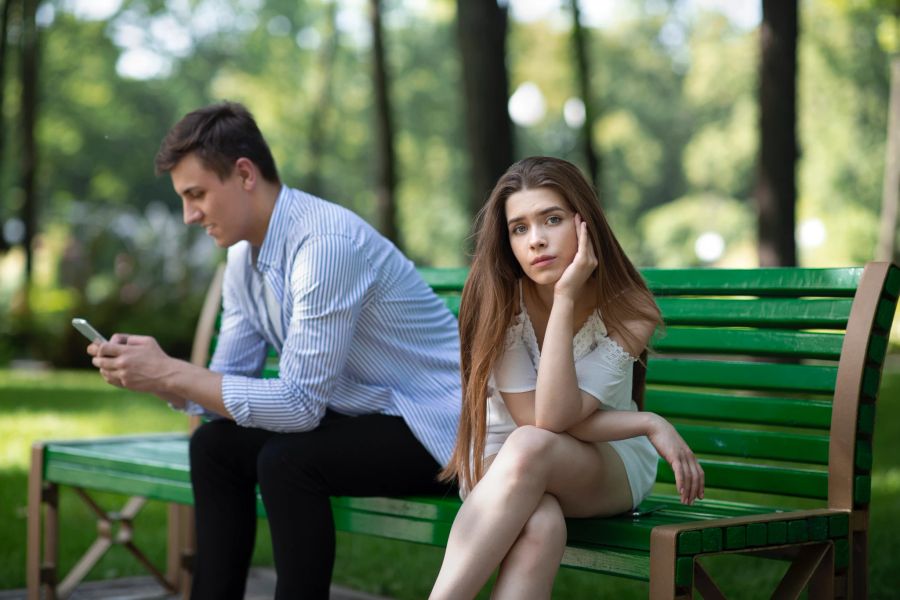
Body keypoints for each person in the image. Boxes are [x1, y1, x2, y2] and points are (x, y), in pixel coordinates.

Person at [87, 101, 461, 600]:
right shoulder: (243, 259)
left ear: (244, 174)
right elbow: (228, 383)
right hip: (366, 413)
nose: (188, 215)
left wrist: (173, 373)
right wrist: (156, 377)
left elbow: (299, 406)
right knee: (214, 446)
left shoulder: (323, 244)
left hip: (438, 424)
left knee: (288, 460)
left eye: (196, 194)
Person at [429, 156, 704, 599]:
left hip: (604, 462)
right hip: (500, 460)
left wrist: (564, 296)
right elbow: (540, 419)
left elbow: (553, 419)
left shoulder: (631, 309)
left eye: (551, 220)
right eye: (519, 228)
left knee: (532, 445)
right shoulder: (498, 300)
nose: (536, 240)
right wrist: (649, 421)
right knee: (541, 521)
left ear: (584, 222)